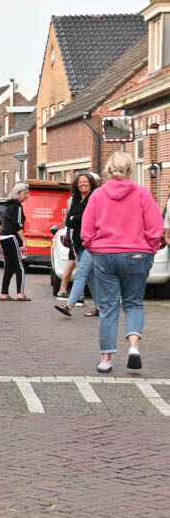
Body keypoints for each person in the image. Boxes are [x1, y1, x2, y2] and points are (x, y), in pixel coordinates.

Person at [81, 150, 164, 372]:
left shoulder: (97, 195)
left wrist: (94, 248)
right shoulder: (143, 194)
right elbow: (155, 228)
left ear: (109, 170)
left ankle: (106, 360)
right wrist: (150, 249)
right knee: (134, 303)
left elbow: (86, 230)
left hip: (105, 254)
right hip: (137, 254)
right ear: (131, 170)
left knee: (108, 307)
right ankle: (134, 347)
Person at [55, 172, 100, 317]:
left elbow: (92, 218)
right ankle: (100, 307)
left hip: (92, 242)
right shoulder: (75, 198)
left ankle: (69, 305)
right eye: (80, 182)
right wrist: (78, 218)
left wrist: (77, 218)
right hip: (77, 242)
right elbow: (69, 221)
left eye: (86, 181)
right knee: (90, 276)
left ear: (91, 183)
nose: (83, 184)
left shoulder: (95, 197)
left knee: (80, 273)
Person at [0, 182, 29, 301]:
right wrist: (24, 241)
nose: (27, 195)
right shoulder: (17, 206)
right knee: (20, 266)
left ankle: (4, 294)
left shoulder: (8, 206)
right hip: (12, 237)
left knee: (9, 266)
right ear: (18, 194)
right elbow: (18, 224)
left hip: (4, 237)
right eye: (25, 193)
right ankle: (21, 294)